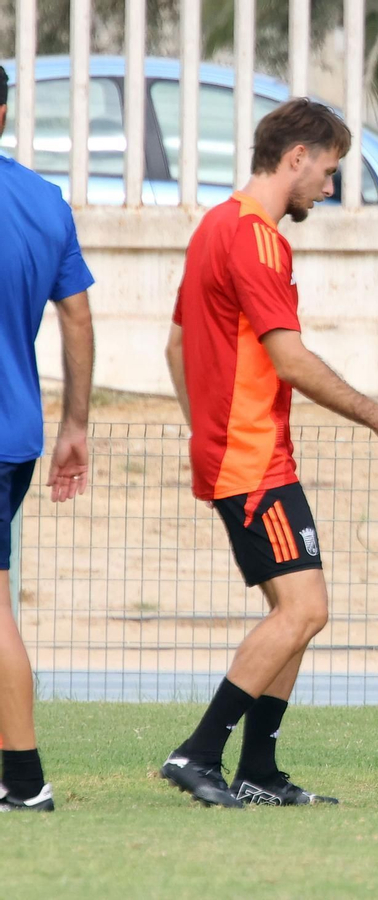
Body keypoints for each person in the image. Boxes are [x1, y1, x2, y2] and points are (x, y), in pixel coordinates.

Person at [162, 99, 378, 807]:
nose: (330, 188)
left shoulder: (214, 226)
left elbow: (175, 348)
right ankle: (198, 753)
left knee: (297, 610)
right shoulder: (255, 239)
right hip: (253, 459)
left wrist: (205, 432)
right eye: (331, 172)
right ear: (296, 158)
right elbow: (290, 359)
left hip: (237, 453)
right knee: (304, 611)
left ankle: (257, 772)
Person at [0, 63, 97, 813]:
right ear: (2, 116)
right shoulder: (45, 202)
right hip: (18, 436)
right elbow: (77, 317)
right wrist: (75, 427)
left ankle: (25, 782)